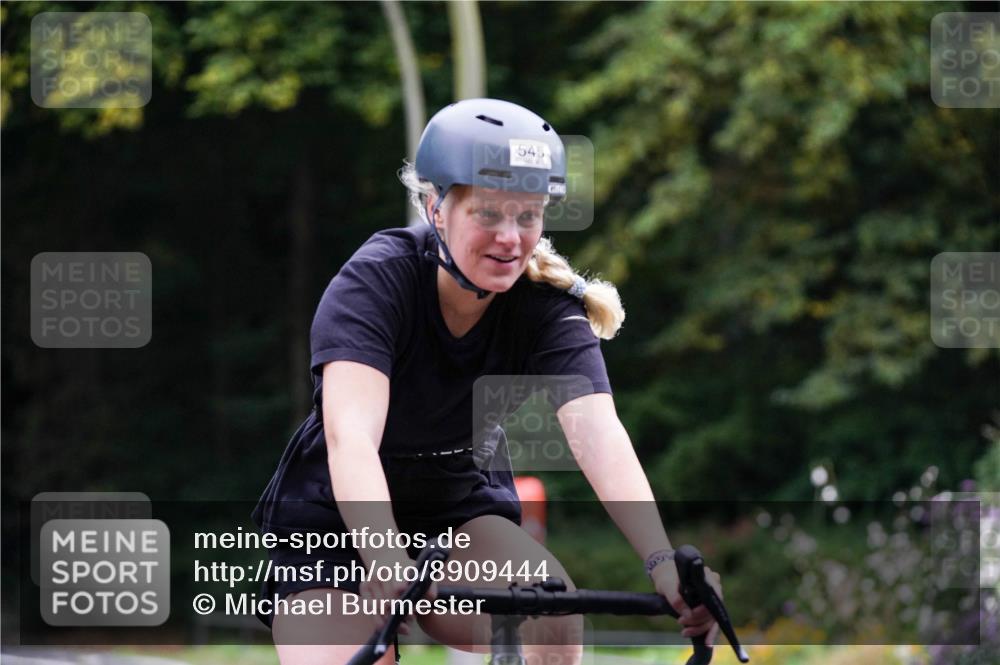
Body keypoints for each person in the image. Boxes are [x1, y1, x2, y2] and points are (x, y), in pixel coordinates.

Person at [251, 98, 724, 665]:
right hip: (332, 524)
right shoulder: (376, 281)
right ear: (436, 208)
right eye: (489, 214)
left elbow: (598, 434)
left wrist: (663, 562)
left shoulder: (544, 307)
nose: (511, 237)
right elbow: (350, 439)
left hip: (454, 510)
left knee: (551, 618)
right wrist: (383, 556)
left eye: (528, 216)